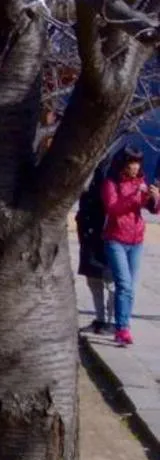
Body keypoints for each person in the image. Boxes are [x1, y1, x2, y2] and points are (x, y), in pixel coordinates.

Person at [99, 147, 153, 347]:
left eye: (137, 163)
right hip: (116, 239)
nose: (135, 167)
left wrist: (154, 198)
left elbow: (153, 209)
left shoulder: (140, 182)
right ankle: (122, 328)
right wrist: (134, 196)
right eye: (131, 162)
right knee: (124, 285)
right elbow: (113, 208)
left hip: (136, 240)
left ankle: (123, 325)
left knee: (131, 286)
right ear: (123, 164)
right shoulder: (111, 183)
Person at [76, 163, 115, 335]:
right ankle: (100, 318)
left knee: (111, 279)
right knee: (92, 277)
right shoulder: (86, 165)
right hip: (87, 224)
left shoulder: (112, 165)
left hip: (106, 229)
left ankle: (112, 321)